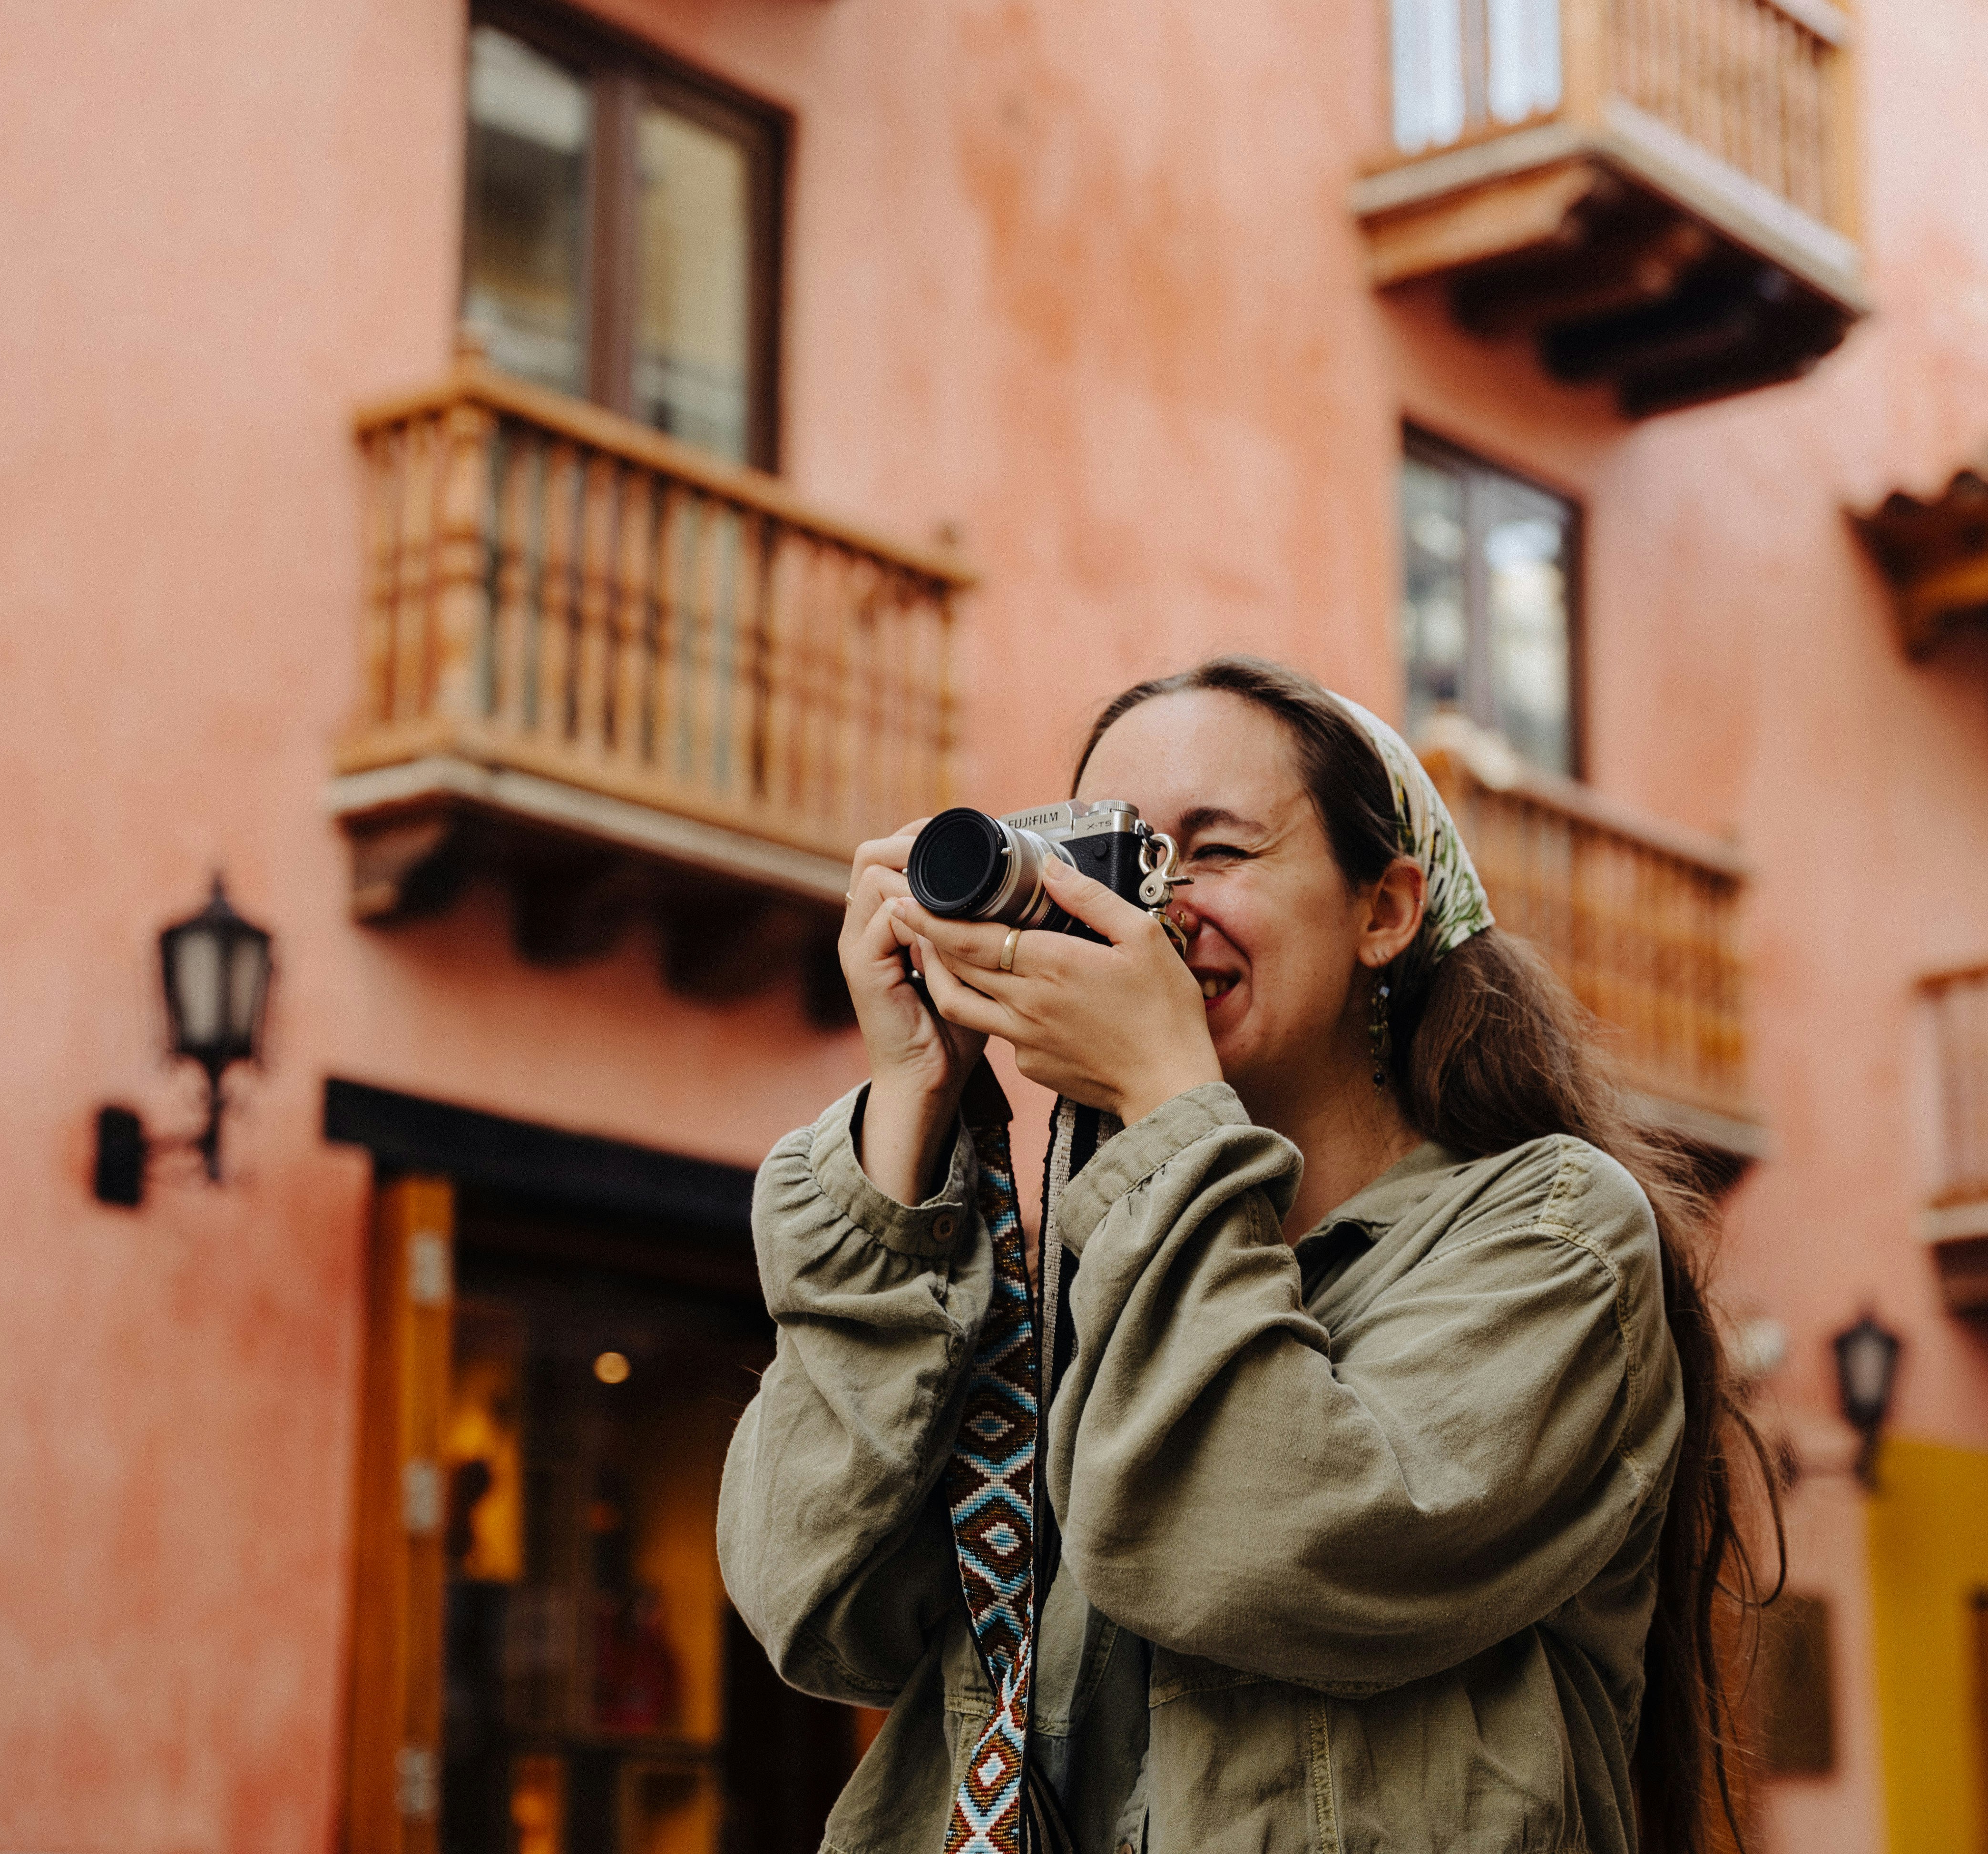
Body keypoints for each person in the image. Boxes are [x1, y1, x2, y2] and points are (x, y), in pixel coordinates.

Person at [719, 656, 1767, 1854]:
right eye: (1109, 854)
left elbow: (1253, 1548)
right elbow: (815, 1606)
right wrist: (911, 1104)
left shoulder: (1553, 1230)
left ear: (1385, 909)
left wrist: (1166, 1096)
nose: (1155, 912)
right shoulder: (1083, 1258)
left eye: (1213, 851)